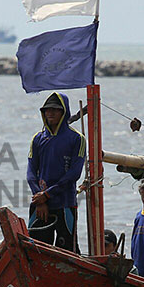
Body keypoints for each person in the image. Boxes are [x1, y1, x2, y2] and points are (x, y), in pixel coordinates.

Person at [26, 92, 85, 252]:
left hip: (64, 204)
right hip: (40, 204)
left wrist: (47, 194)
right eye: (47, 110)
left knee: (68, 251)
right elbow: (31, 173)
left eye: (55, 109)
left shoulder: (76, 138)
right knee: (35, 250)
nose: (50, 113)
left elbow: (74, 174)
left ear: (64, 112)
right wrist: (40, 199)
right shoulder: (38, 139)